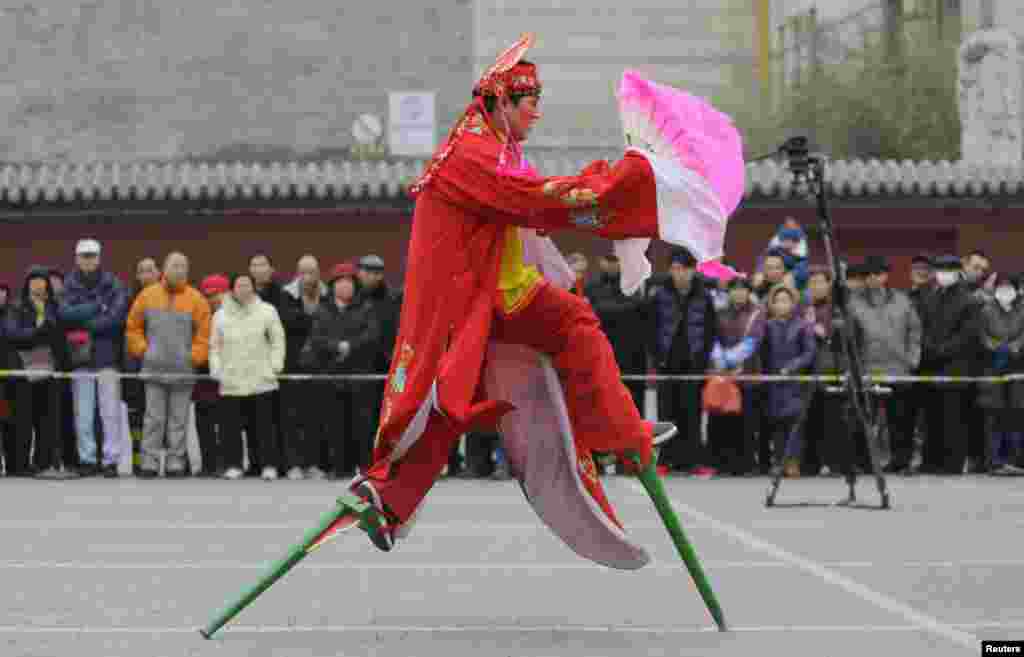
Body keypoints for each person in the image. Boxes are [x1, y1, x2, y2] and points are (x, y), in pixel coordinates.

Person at [340, 37, 737, 557]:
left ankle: (390, 501)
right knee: (536, 346)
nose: (538, 112)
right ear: (502, 101)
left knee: (457, 400)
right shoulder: (474, 155)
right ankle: (617, 435)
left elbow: (537, 201)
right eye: (531, 102)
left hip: (490, 298)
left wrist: (612, 178)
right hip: (473, 303)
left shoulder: (491, 150)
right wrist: (630, 179)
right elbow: (544, 201)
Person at [125, 252, 211, 478]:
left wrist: (194, 357)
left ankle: (176, 463)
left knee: (178, 420)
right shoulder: (147, 295)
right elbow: (133, 327)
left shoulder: (197, 299)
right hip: (153, 369)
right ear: (164, 269)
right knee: (153, 418)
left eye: (183, 266)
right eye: (175, 265)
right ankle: (149, 463)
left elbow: (205, 334)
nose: (179, 270)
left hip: (184, 371)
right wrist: (144, 350)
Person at [59, 239, 131, 477]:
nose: (88, 259)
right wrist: (96, 307)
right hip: (80, 356)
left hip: (107, 355)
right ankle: (87, 459)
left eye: (92, 255)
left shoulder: (114, 284)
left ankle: (110, 460)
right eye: (83, 255)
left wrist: (84, 321)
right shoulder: (68, 285)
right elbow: (64, 314)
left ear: (99, 257)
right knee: (83, 412)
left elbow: (117, 318)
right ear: (76, 258)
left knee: (110, 412)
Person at [849, 255, 922, 475]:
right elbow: (848, 338)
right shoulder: (852, 303)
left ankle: (901, 462)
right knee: (863, 420)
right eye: (869, 275)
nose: (873, 278)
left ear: (885, 275)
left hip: (899, 370)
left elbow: (915, 331)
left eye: (878, 274)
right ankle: (863, 463)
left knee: (901, 420)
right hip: (867, 370)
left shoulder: (902, 300)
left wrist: (912, 359)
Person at [210, 273, 286, 481]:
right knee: (230, 427)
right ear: (232, 289)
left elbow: (277, 340)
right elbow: (215, 346)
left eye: (247, 285)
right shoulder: (220, 315)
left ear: (253, 287)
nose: (243, 289)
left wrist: (275, 365)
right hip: (231, 379)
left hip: (261, 379)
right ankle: (233, 464)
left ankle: (268, 465)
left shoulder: (267, 311)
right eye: (239, 285)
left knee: (264, 426)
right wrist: (216, 368)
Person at [307, 263, 380, 478]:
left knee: (363, 425)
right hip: (332, 375)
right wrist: (336, 347)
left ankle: (366, 467)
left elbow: (372, 336)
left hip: (360, 377)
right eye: (340, 282)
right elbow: (317, 339)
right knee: (335, 425)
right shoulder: (323, 309)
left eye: (349, 282)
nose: (345, 287)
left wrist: (350, 346)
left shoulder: (366, 307)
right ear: (333, 286)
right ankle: (340, 467)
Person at [4, 267, 76, 479]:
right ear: (27, 284)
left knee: (47, 422)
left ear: (47, 284)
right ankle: (20, 465)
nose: (38, 284)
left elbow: (60, 337)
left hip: (50, 371)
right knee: (23, 420)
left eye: (41, 280)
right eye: (33, 280)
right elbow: (12, 333)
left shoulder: (54, 307)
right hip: (23, 372)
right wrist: (37, 332)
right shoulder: (17, 306)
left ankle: (43, 464)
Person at [917, 255, 982, 475]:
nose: (942, 274)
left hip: (956, 366)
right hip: (931, 365)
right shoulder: (932, 296)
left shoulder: (968, 300)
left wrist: (942, 350)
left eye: (947, 269)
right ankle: (931, 461)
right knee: (932, 415)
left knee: (954, 417)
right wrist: (929, 348)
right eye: (939, 269)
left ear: (957, 271)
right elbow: (923, 326)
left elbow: (968, 335)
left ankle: (951, 463)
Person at [759, 285, 817, 478]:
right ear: (772, 304)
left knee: (795, 425)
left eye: (786, 300)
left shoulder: (802, 326)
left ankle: (793, 462)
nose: (782, 304)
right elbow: (762, 353)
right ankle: (778, 461)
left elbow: (809, 353)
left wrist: (792, 367)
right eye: (778, 301)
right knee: (777, 425)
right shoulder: (767, 326)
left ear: (793, 303)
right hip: (774, 382)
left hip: (795, 383)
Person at [976, 273, 1024, 476]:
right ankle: (994, 461)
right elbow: (981, 335)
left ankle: (1014, 461)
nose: (1005, 291)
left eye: (1009, 287)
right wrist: (996, 347)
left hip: (1017, 368)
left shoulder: (1022, 311)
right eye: (1000, 286)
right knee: (993, 415)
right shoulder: (986, 310)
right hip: (992, 367)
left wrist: (1015, 347)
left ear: (1015, 289)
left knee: (1015, 414)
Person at [193, 274, 230, 477]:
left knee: (225, 423)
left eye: (217, 294)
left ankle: (225, 463)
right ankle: (207, 464)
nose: (212, 299)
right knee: (203, 422)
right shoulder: (199, 315)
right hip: (203, 376)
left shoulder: (233, 315)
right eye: (208, 295)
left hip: (227, 377)